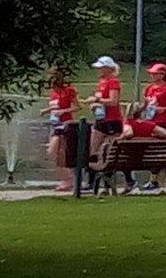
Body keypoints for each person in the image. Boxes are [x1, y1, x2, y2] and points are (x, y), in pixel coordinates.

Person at [84, 56, 124, 189]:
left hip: (112, 120)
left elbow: (113, 101)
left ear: (108, 68)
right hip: (101, 119)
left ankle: (108, 183)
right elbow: (101, 100)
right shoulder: (101, 82)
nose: (98, 70)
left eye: (101, 68)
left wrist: (97, 100)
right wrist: (94, 105)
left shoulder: (113, 82)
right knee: (93, 149)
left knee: (109, 151)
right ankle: (91, 181)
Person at [45, 67, 80, 192]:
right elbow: (54, 106)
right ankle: (68, 178)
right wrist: (47, 111)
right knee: (57, 154)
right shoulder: (53, 92)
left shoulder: (68, 90)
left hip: (65, 124)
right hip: (54, 123)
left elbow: (77, 107)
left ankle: (69, 179)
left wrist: (63, 111)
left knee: (53, 151)